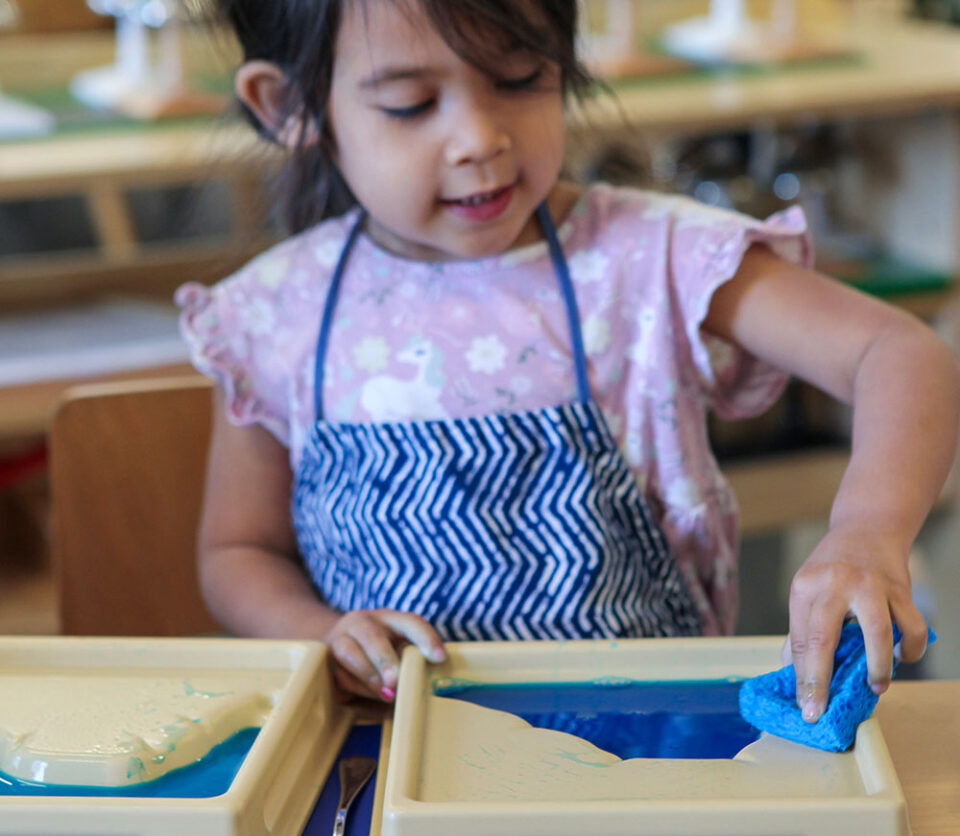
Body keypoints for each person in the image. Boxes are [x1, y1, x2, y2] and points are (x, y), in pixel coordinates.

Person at [177, 0, 959, 721]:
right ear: (288, 107)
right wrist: (320, 632)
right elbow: (238, 553)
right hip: (385, 757)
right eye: (411, 103)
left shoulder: (648, 258)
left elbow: (899, 351)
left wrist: (867, 532)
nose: (480, 137)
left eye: (520, 78)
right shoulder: (271, 316)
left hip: (645, 751)